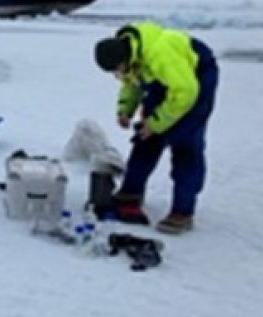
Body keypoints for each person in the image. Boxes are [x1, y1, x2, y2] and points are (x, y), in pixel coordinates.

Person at [93, 22, 219, 235]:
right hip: (167, 81)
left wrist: (157, 123)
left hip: (194, 79)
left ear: (123, 60)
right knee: (145, 138)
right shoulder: (128, 53)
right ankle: (131, 192)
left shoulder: (160, 54)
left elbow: (186, 92)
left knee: (185, 143)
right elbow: (131, 82)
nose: (116, 75)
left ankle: (183, 211)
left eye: (116, 70)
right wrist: (126, 108)